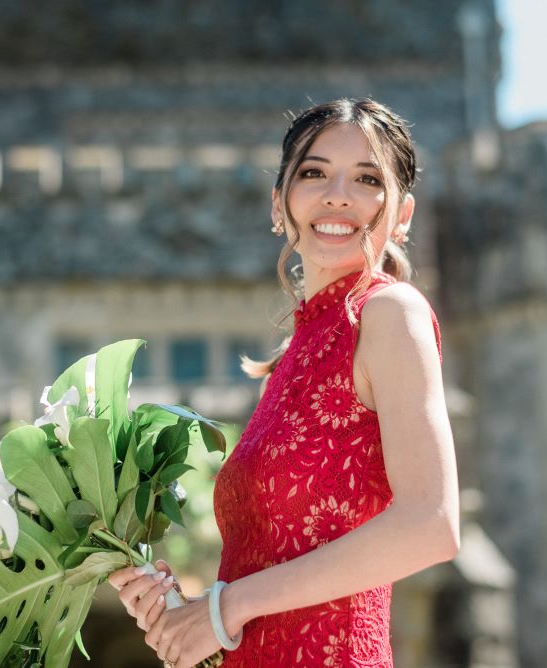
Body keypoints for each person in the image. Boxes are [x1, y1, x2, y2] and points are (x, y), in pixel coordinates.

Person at [108, 98, 460, 668]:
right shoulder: (293, 354)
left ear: (402, 214)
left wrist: (225, 609)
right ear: (280, 203)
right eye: (313, 173)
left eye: (367, 179)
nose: (337, 194)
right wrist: (183, 611)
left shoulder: (391, 313)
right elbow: (264, 579)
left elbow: (432, 524)